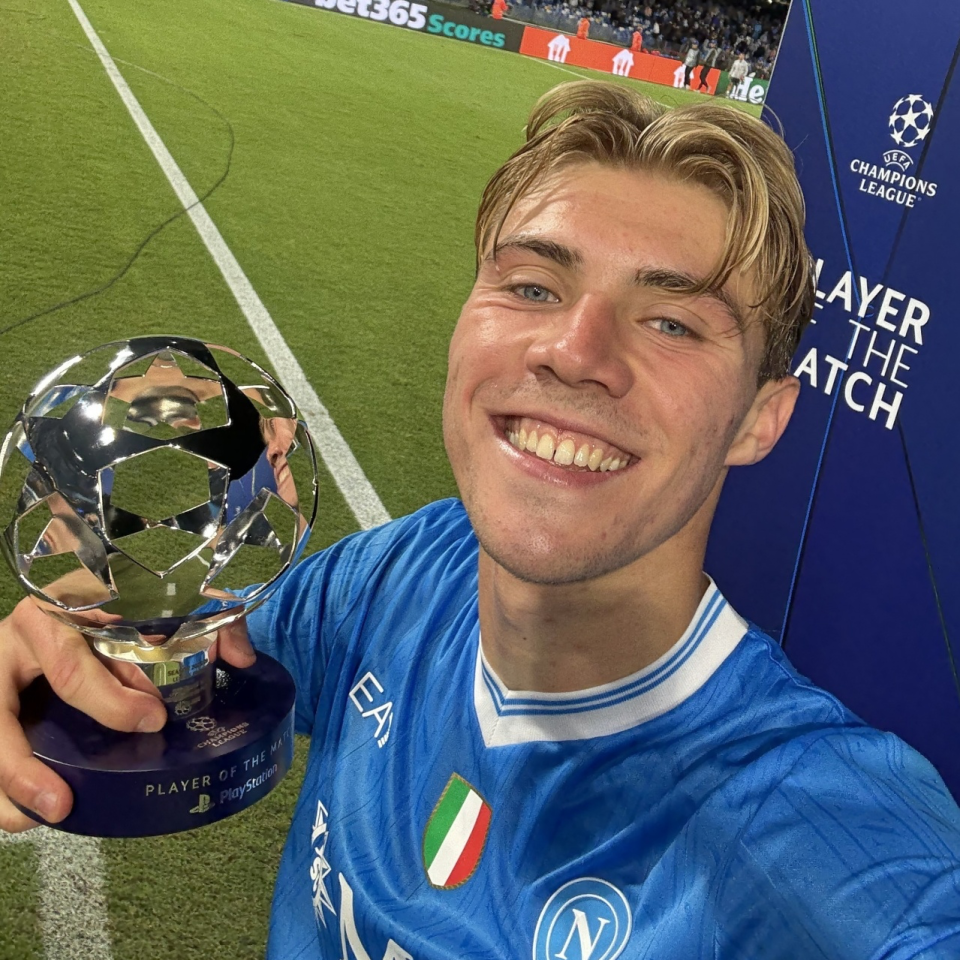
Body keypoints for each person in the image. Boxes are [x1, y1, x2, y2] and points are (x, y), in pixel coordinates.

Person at [2, 81, 960, 958]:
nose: (574, 351)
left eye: (671, 322)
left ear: (760, 419)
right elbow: (175, 655)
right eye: (533, 286)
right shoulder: (398, 573)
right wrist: (62, 648)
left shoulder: (833, 843)